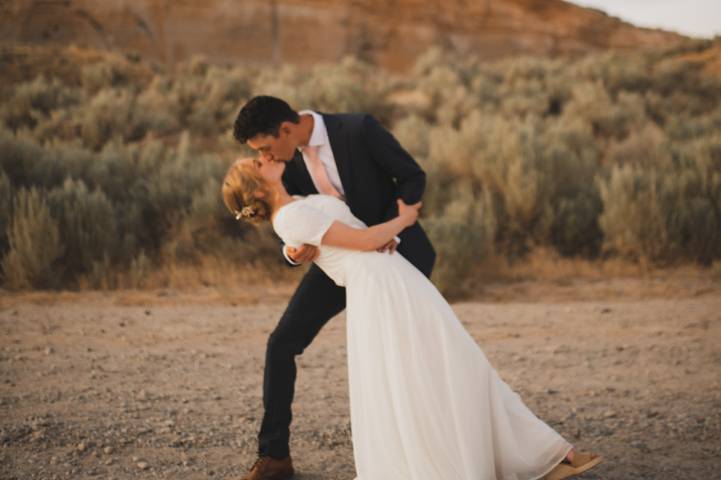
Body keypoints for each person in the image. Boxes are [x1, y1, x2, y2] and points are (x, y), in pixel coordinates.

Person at [222, 155, 603, 480]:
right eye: (257, 162)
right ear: (257, 189)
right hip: (381, 287)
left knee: (455, 362)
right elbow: (365, 241)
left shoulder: (299, 204)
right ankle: (464, 462)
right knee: (432, 369)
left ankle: (537, 452)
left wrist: (381, 237)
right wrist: (404, 220)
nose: (265, 157)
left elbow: (356, 237)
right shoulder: (290, 218)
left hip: (391, 276)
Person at [231, 96, 437, 480]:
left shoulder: (359, 130)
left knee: (409, 356)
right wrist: (293, 252)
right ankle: (274, 457)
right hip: (337, 266)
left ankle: (428, 445)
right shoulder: (283, 163)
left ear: (286, 130)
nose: (266, 158)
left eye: (265, 147)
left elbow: (412, 177)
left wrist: (391, 228)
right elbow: (289, 215)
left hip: (396, 258)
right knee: (282, 344)